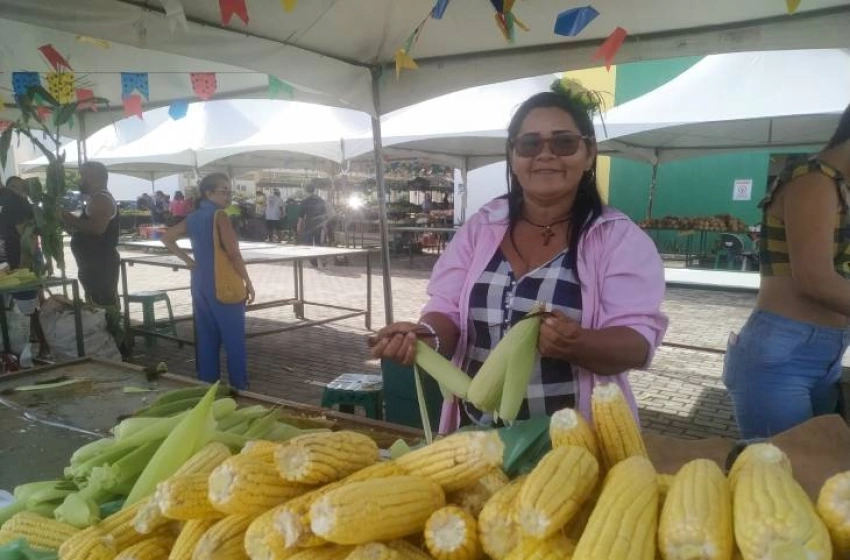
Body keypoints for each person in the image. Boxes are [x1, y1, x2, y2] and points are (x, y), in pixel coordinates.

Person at [371, 79, 668, 431]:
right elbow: (446, 310)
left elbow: (636, 343)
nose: (546, 154)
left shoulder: (618, 239)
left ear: (588, 154)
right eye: (529, 144)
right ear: (513, 157)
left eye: (564, 142)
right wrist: (424, 338)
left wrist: (578, 343)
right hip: (476, 438)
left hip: (573, 444)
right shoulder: (481, 227)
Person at [723, 103, 850, 439]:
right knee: (782, 468)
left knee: (819, 466)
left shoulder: (839, 186)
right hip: (783, 355)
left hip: (824, 352)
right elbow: (815, 280)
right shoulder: (813, 180)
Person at [162, 173, 254, 390]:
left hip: (200, 283)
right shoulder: (219, 216)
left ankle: (207, 386)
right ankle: (239, 387)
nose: (228, 196)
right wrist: (248, 281)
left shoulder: (194, 217)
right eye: (224, 191)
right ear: (208, 193)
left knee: (206, 339)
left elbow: (167, 238)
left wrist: (189, 262)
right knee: (234, 340)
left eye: (230, 191)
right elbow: (234, 253)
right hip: (224, 284)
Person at [61, 162, 121, 308]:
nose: (80, 180)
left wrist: (68, 217)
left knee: (103, 306)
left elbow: (97, 229)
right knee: (97, 303)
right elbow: (84, 230)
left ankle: (112, 322)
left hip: (100, 265)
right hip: (92, 264)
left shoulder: (101, 199)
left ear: (95, 177)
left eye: (83, 176)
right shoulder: (95, 199)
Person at [298, 182, 328, 267]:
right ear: (314, 190)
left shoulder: (305, 201)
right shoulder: (320, 200)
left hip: (309, 225)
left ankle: (313, 260)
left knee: (309, 244)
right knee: (319, 243)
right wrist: (325, 226)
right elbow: (324, 215)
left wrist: (299, 226)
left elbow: (301, 216)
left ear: (306, 190)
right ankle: (322, 259)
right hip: (319, 224)